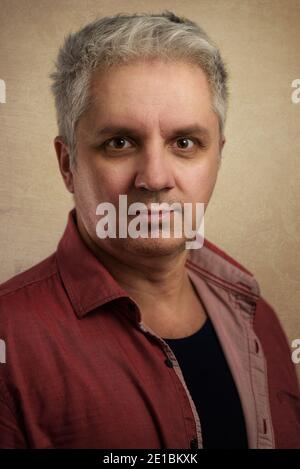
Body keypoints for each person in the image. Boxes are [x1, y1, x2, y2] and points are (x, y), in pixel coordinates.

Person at [0, 11, 299, 449]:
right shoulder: (9, 339)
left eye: (185, 143)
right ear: (68, 165)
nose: (155, 178)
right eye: (119, 142)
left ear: (218, 156)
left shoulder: (261, 322)